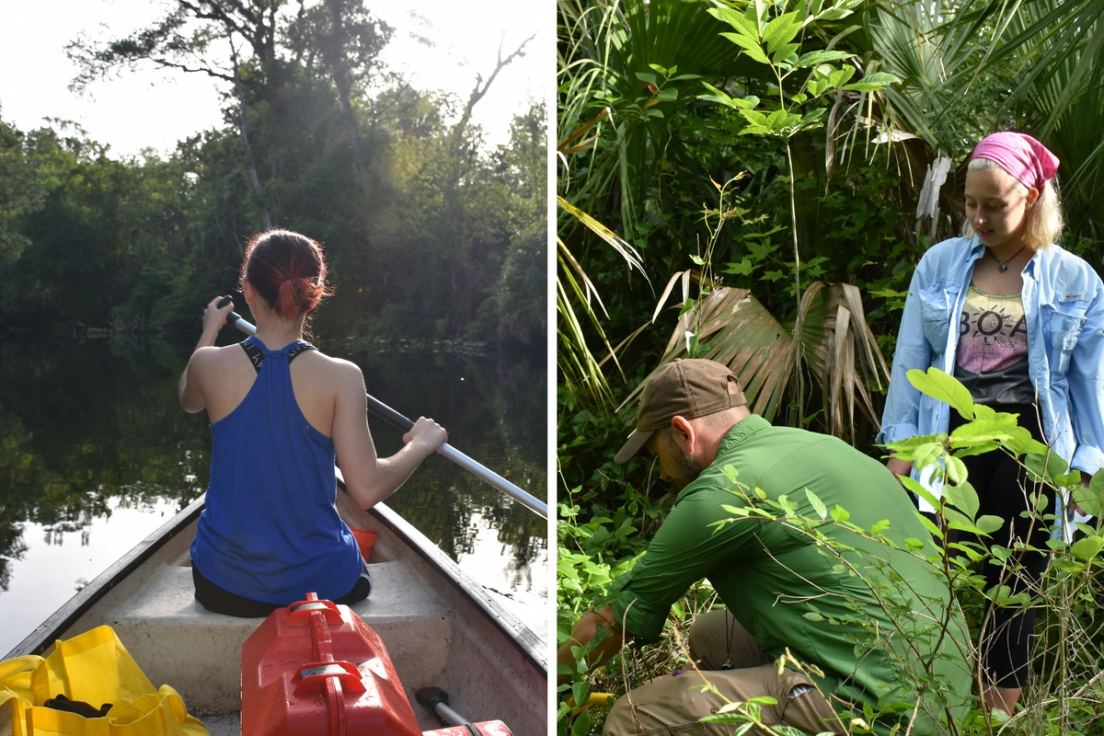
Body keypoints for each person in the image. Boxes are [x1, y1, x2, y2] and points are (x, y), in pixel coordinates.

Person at [558, 359, 972, 736]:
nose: (662, 471)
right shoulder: (829, 448)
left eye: (656, 453)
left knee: (633, 717)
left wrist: (548, 684)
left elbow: (615, 619)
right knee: (711, 636)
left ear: (683, 433)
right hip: (945, 698)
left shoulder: (723, 489)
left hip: (882, 716)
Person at [878, 132, 1104, 714]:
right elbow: (912, 361)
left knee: (1017, 588)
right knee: (928, 576)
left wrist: (1087, 472)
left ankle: (997, 722)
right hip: (947, 436)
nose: (978, 216)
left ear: (1030, 197)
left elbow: (1089, 388)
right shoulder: (940, 265)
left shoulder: (1076, 281)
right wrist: (900, 451)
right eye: (970, 203)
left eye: (994, 204)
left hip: (1032, 445)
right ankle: (924, 711)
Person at [178, 229, 447, 617]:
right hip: (320, 588)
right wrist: (420, 443)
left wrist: (209, 331)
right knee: (349, 553)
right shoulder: (343, 377)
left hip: (222, 585)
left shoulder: (208, 364)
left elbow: (188, 399)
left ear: (248, 291)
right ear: (314, 294)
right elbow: (367, 488)